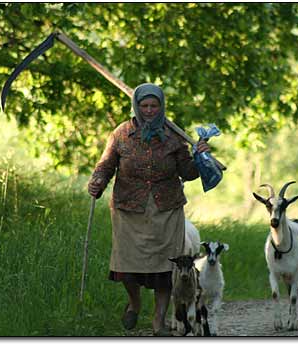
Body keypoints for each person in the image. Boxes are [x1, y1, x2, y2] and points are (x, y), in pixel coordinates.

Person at [87, 83, 210, 336]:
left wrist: (199, 156)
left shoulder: (174, 135)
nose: (150, 110)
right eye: (145, 106)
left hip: (166, 209)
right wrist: (97, 181)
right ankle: (134, 302)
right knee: (127, 265)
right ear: (136, 107)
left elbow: (188, 173)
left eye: (154, 106)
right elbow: (106, 164)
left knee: (165, 269)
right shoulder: (122, 133)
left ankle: (158, 321)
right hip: (129, 208)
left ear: (162, 106)